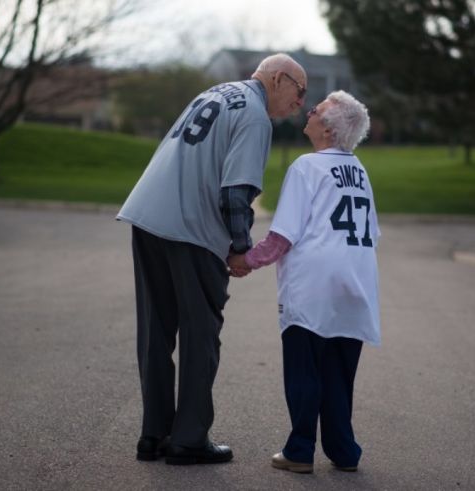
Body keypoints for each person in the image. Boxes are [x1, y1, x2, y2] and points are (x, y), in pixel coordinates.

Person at [115, 54, 307, 465]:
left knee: (156, 331)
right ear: (278, 78)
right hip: (191, 227)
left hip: (148, 216)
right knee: (201, 335)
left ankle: (154, 434)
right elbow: (235, 194)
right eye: (299, 91)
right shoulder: (256, 116)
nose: (301, 104)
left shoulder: (217, 92)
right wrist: (239, 249)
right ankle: (188, 439)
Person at [228, 91, 379, 474]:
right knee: (339, 374)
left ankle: (299, 451)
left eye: (319, 108)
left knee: (304, 368)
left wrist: (244, 260)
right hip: (356, 280)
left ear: (328, 129)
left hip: (313, 283)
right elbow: (372, 232)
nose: (310, 110)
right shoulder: (359, 171)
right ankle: (344, 451)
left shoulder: (306, 167)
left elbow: (282, 236)